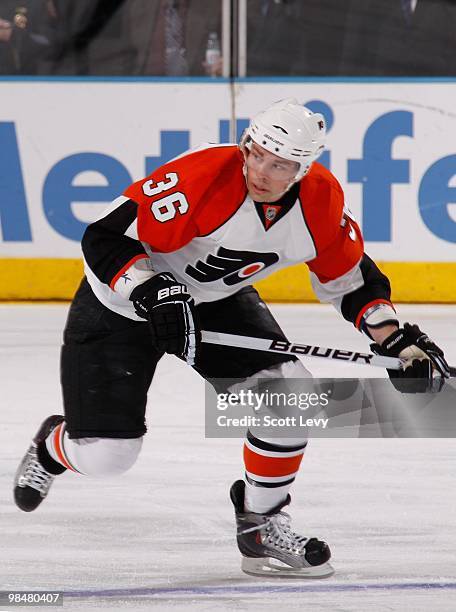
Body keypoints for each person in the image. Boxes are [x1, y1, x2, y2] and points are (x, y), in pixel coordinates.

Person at [13, 99, 450, 578]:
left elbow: (351, 280)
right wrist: (153, 291)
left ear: (302, 169)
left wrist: (394, 340)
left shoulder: (320, 202)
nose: (261, 170)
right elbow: (104, 239)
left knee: (291, 399)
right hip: (118, 306)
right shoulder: (202, 176)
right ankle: (53, 447)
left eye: (279, 163)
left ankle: (260, 527)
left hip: (211, 302)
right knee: (107, 456)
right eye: (256, 152)